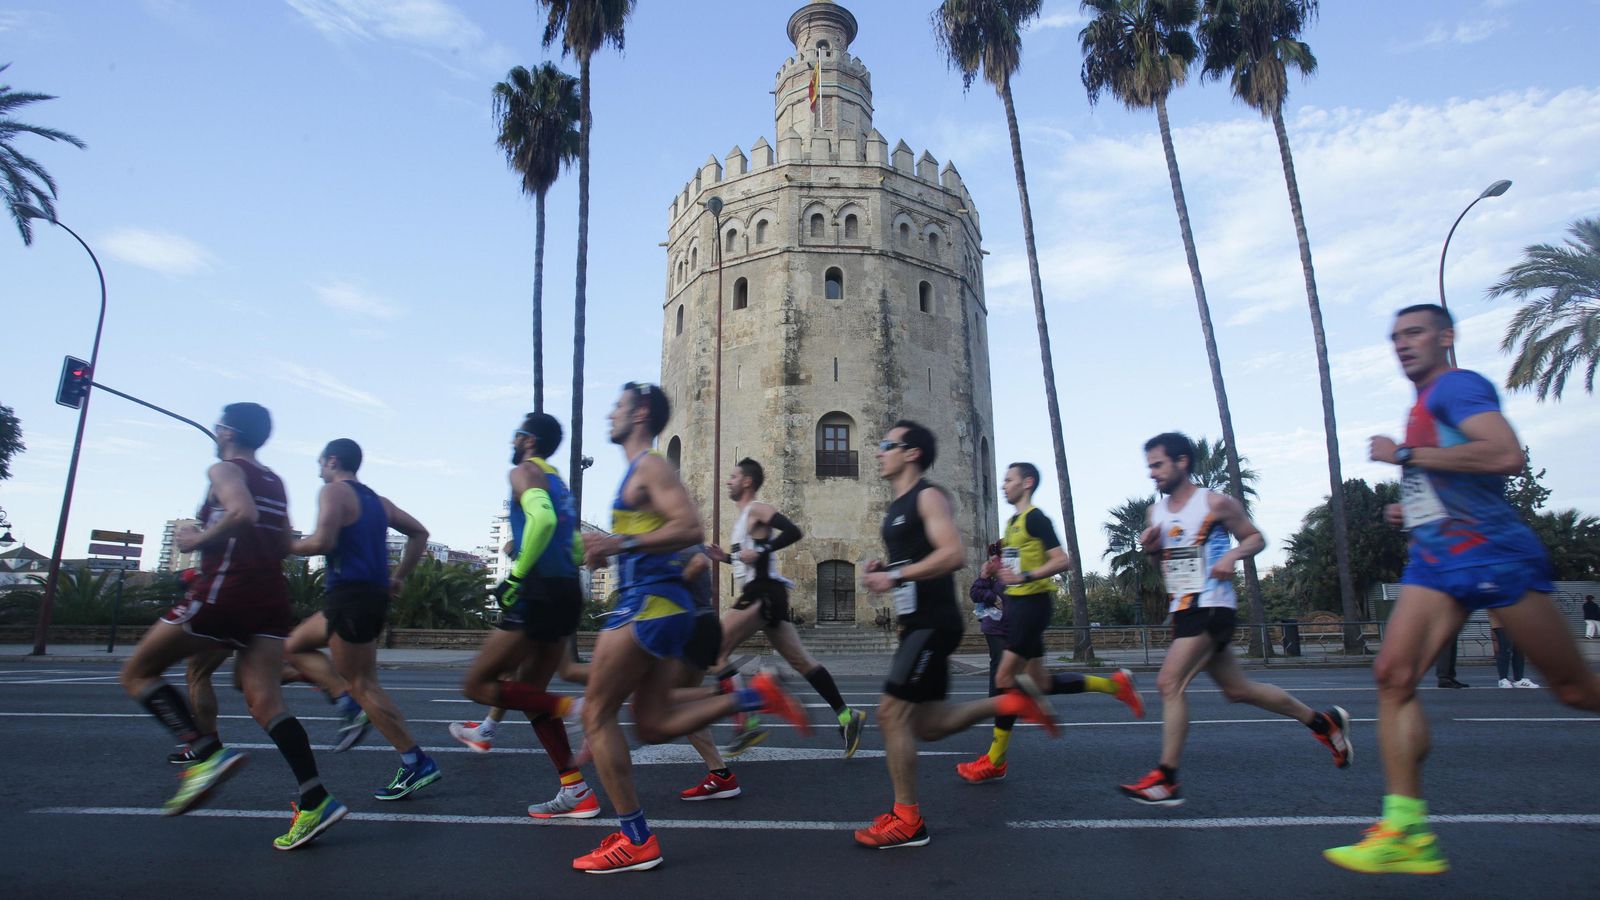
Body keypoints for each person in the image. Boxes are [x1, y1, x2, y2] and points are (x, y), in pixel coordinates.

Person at [1325, 304, 1600, 875]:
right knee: (1392, 677)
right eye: (1395, 337)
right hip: (1437, 561)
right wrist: (1413, 509)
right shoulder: (1422, 405)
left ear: (1445, 337)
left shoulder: (1458, 386)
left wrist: (1403, 455)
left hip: (1492, 554)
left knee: (1575, 691)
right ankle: (1407, 831)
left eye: (1415, 332)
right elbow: (1453, 476)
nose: (1402, 344)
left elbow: (1504, 454)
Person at [569, 383, 811, 873]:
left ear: (639, 414)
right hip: (660, 606)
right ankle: (754, 697)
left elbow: (690, 529)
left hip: (648, 605)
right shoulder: (641, 471)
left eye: (616, 407)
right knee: (653, 722)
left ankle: (634, 838)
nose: (608, 415)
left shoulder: (651, 466)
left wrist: (613, 545)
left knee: (597, 712)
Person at [117, 402, 345, 850]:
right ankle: (315, 798)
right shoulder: (276, 482)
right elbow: (282, 541)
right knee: (264, 701)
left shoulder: (223, 470)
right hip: (269, 596)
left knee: (137, 673)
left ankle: (204, 755)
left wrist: (194, 540)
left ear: (225, 431)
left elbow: (241, 514)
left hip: (225, 590)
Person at [1119, 432, 1352, 807]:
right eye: (1149, 467)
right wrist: (1151, 549)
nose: (1152, 474)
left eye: (1158, 465)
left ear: (1182, 462)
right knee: (1237, 690)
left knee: (1169, 682)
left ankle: (1166, 779)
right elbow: (1158, 565)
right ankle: (1323, 724)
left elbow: (1255, 538)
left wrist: (1233, 556)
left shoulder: (1215, 503)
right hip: (1183, 607)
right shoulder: (1155, 513)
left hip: (1212, 604)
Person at [855, 421, 1058, 849]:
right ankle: (1012, 701)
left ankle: (908, 820)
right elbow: (914, 560)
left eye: (887, 444)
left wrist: (895, 577)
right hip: (918, 623)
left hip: (933, 622)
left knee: (890, 715)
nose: (878, 452)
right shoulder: (897, 505)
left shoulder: (927, 496)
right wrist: (885, 569)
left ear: (911, 453)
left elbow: (952, 554)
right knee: (927, 725)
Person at [957, 462, 1144, 784]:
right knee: (1039, 682)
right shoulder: (1014, 522)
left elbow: (1062, 560)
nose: (1003, 485)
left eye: (1009, 480)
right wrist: (999, 571)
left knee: (1004, 678)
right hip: (1020, 606)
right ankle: (1114, 685)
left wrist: (1024, 576)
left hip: (1031, 605)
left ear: (1027, 483)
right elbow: (1017, 564)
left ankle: (995, 759)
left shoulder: (1035, 518)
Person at [453, 413, 596, 819]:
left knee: (477, 683)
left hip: (538, 590)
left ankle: (574, 708)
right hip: (566, 590)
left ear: (528, 440)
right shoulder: (559, 484)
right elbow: (570, 542)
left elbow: (544, 520)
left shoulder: (524, 472)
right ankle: (576, 790)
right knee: (532, 699)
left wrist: (516, 575)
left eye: (517, 434)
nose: (513, 441)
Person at [285, 438, 438, 800]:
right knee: (294, 646)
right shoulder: (378, 502)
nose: (319, 470)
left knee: (363, 686)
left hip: (350, 596)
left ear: (333, 461)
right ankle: (349, 702)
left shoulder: (334, 492)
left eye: (320, 463)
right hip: (364, 597)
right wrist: (398, 577)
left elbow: (322, 542)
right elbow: (420, 532)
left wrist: (283, 546)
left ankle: (413, 759)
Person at [700, 457, 866, 770]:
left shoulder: (757, 509)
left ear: (747, 481)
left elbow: (793, 531)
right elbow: (748, 559)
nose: (728, 481)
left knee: (714, 651)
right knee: (803, 662)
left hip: (761, 594)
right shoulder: (744, 519)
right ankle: (847, 716)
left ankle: (748, 721)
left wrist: (760, 550)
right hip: (768, 593)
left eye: (733, 476)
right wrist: (726, 558)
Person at [1488, 608, 1540, 689]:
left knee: (1519, 649)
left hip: (1517, 620)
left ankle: (1519, 679)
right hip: (1501, 620)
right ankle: (1503, 679)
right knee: (1505, 648)